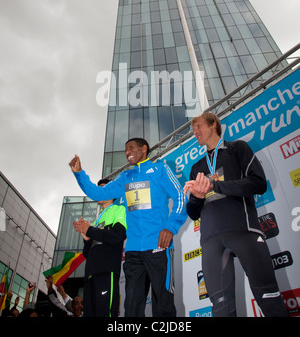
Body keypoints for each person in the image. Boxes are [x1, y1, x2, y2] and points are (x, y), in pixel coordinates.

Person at [183, 112, 289, 317]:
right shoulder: (197, 167)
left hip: (244, 231)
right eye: (193, 130)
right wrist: (197, 197)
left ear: (214, 124)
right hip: (211, 240)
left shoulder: (237, 148)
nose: (195, 132)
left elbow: (258, 183)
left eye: (198, 127)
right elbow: (193, 213)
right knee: (221, 308)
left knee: (269, 298)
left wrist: (216, 185)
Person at [69, 137, 187, 317]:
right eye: (125, 149)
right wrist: (79, 173)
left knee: (163, 304)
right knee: (131, 307)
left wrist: (170, 227)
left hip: (158, 246)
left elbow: (181, 197)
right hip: (133, 252)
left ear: (144, 149)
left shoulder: (160, 170)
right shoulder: (125, 177)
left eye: (131, 147)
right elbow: (99, 192)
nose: (127, 152)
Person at [73, 179, 127, 317]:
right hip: (90, 274)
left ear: (111, 192)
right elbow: (87, 253)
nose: (98, 192)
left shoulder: (118, 209)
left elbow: (118, 235)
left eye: (102, 189)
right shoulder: (98, 219)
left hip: (106, 271)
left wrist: (90, 230)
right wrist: (87, 239)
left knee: (105, 313)